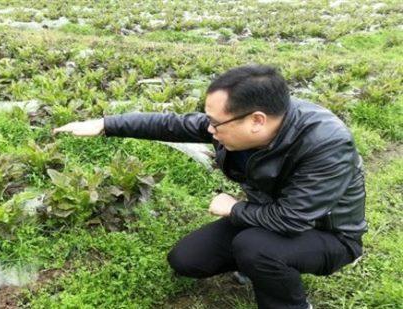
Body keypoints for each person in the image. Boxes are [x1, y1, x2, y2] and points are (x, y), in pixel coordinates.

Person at [53, 64, 367, 309]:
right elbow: (172, 124)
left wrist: (233, 208)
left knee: (255, 248)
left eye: (216, 123)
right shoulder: (247, 123)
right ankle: (263, 263)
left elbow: (292, 219)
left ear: (256, 120)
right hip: (266, 215)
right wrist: (106, 125)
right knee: (187, 260)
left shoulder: (327, 144)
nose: (209, 129)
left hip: (328, 235)